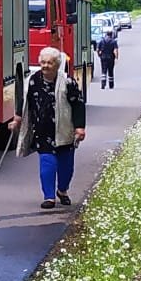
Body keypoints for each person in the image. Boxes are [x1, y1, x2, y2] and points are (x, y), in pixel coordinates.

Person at [10, 45, 86, 209]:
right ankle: (49, 196)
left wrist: (80, 127)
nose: (45, 66)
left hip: (64, 130)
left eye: (49, 63)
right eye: (43, 62)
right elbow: (25, 101)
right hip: (42, 131)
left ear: (57, 65)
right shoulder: (32, 80)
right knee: (47, 164)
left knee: (66, 168)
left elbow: (78, 105)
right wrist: (17, 118)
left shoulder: (68, 82)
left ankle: (62, 190)